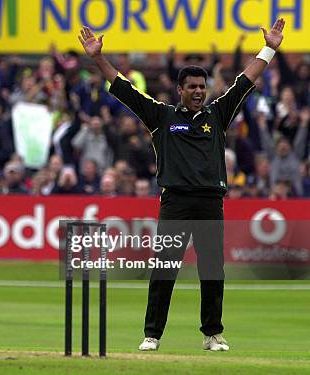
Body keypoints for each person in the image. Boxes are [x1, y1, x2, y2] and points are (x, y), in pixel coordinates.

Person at [79, 19, 285, 352]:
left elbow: (246, 80)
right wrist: (98, 59)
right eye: (192, 87)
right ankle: (152, 334)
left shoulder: (217, 114)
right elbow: (125, 89)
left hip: (210, 203)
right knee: (164, 270)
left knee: (212, 271)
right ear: (181, 89)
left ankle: (212, 333)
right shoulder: (162, 117)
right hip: (175, 202)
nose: (199, 92)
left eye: (202, 87)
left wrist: (270, 49)